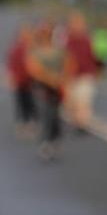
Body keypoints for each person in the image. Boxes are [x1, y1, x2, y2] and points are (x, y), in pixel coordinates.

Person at [27, 21, 66, 161]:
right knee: (45, 114)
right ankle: (45, 143)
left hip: (55, 89)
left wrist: (61, 80)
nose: (46, 35)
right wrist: (49, 78)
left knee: (55, 114)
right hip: (41, 88)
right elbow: (33, 68)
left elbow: (66, 65)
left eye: (48, 32)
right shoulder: (36, 50)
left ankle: (54, 138)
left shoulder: (57, 51)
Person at [63, 10, 99, 130]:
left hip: (86, 75)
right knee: (72, 104)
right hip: (71, 76)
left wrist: (97, 70)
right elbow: (64, 58)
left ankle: (82, 124)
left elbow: (94, 56)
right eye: (75, 24)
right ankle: (78, 121)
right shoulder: (67, 40)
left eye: (80, 24)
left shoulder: (88, 40)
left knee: (84, 101)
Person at [4, 24, 37, 139]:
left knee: (31, 102)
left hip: (31, 81)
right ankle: (22, 123)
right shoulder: (17, 48)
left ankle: (30, 122)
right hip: (20, 80)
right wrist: (10, 77)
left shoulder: (32, 47)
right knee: (21, 102)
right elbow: (11, 63)